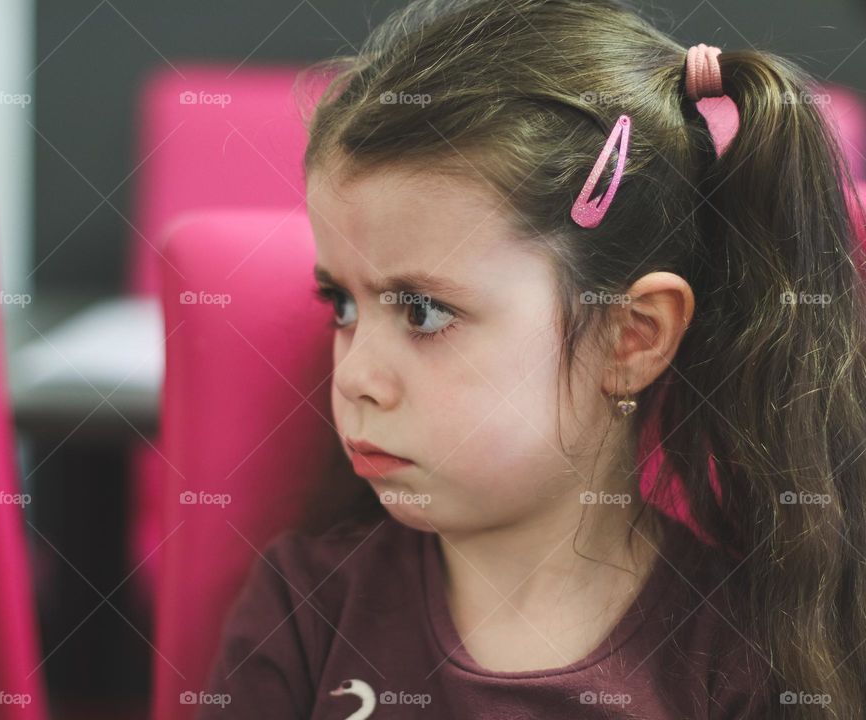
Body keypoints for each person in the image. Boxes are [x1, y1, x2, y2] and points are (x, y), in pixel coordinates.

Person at [196, 0, 866, 717]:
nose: (356, 376)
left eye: (423, 312)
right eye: (344, 306)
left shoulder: (742, 657)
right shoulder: (305, 613)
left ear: (631, 337)